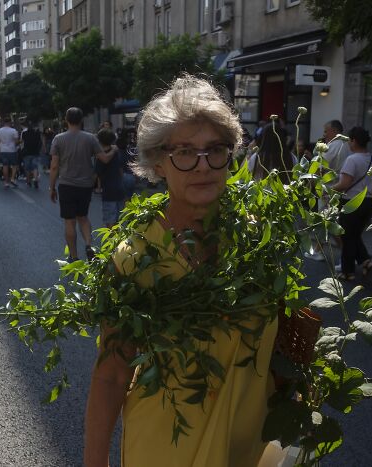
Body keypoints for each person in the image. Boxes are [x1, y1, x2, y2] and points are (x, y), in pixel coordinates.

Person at [84, 75, 277, 467]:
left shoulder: (259, 240)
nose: (203, 166)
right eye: (185, 152)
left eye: (215, 150)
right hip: (164, 447)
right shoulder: (134, 258)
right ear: (158, 161)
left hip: (248, 445)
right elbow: (113, 374)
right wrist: (94, 461)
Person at [49, 107, 113, 262]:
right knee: (83, 217)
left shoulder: (58, 139)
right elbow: (103, 159)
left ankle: (74, 256)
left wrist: (52, 187)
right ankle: (89, 245)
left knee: (69, 221)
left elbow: (54, 166)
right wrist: (114, 151)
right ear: (81, 120)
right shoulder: (91, 138)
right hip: (85, 185)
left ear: (66, 120)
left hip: (66, 184)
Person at [331, 126, 372, 280]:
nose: (349, 143)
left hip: (351, 202)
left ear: (355, 141)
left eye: (350, 140)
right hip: (368, 203)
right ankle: (366, 261)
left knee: (347, 237)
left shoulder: (352, 159)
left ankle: (347, 272)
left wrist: (328, 190)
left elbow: (344, 184)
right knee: (355, 236)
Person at [95, 128, 124, 228]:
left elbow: (98, 173)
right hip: (119, 187)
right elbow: (120, 169)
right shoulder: (116, 152)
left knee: (110, 216)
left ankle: (112, 240)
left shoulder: (100, 156)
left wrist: (98, 187)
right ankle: (120, 238)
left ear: (99, 140)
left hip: (108, 190)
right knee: (119, 215)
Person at [0, 116, 20, 188]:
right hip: (12, 150)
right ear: (10, 122)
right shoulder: (13, 131)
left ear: (4, 122)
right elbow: (16, 142)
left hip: (3, 151)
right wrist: (20, 142)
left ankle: (6, 182)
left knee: (5, 166)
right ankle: (12, 178)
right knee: (14, 165)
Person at [21, 120, 43, 189]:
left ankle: (28, 181)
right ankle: (36, 179)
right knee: (35, 167)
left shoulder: (24, 133)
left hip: (26, 152)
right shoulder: (37, 133)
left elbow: (22, 142)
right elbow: (40, 142)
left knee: (27, 168)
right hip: (35, 152)